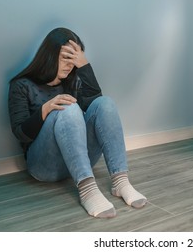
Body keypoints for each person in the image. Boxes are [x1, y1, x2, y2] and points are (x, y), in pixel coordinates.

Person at [8, 27, 147, 218]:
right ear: (49, 55)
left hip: (79, 162)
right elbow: (20, 133)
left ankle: (121, 181)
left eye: (75, 58)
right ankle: (87, 189)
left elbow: (96, 106)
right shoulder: (22, 85)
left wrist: (85, 66)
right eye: (66, 57)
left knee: (105, 103)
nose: (70, 64)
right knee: (68, 107)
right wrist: (46, 109)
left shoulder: (73, 81)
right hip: (44, 167)